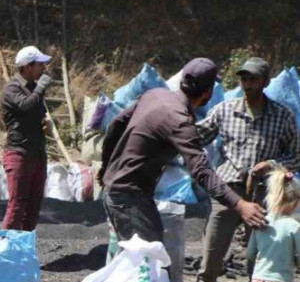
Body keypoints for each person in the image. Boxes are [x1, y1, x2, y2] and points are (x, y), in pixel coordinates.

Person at [100, 57, 266, 246]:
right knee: (149, 264)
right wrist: (240, 205)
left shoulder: (155, 94)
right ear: (208, 92)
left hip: (121, 191)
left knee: (142, 261)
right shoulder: (180, 121)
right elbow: (202, 171)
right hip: (129, 198)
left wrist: (106, 167)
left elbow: (116, 124)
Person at [192, 57, 300, 282]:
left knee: (261, 266)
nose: (247, 84)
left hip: (265, 196)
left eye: (252, 79)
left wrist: (272, 164)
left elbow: (296, 156)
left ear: (264, 82)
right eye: (243, 79)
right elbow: (195, 136)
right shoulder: (224, 110)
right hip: (228, 193)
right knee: (210, 261)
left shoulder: (282, 115)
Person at [0, 45, 54, 230]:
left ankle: (23, 252)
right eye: (40, 64)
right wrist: (40, 89)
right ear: (28, 66)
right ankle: (6, 252)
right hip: (19, 154)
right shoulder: (12, 89)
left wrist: (47, 123)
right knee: (17, 206)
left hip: (37, 154)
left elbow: (38, 113)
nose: (43, 68)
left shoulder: (33, 88)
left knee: (33, 207)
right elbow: (24, 106)